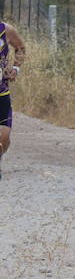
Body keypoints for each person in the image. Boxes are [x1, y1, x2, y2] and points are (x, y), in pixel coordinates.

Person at [0, 20, 27, 180]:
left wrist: (16, 68)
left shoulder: (6, 30)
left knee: (4, 136)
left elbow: (21, 48)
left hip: (1, 92)